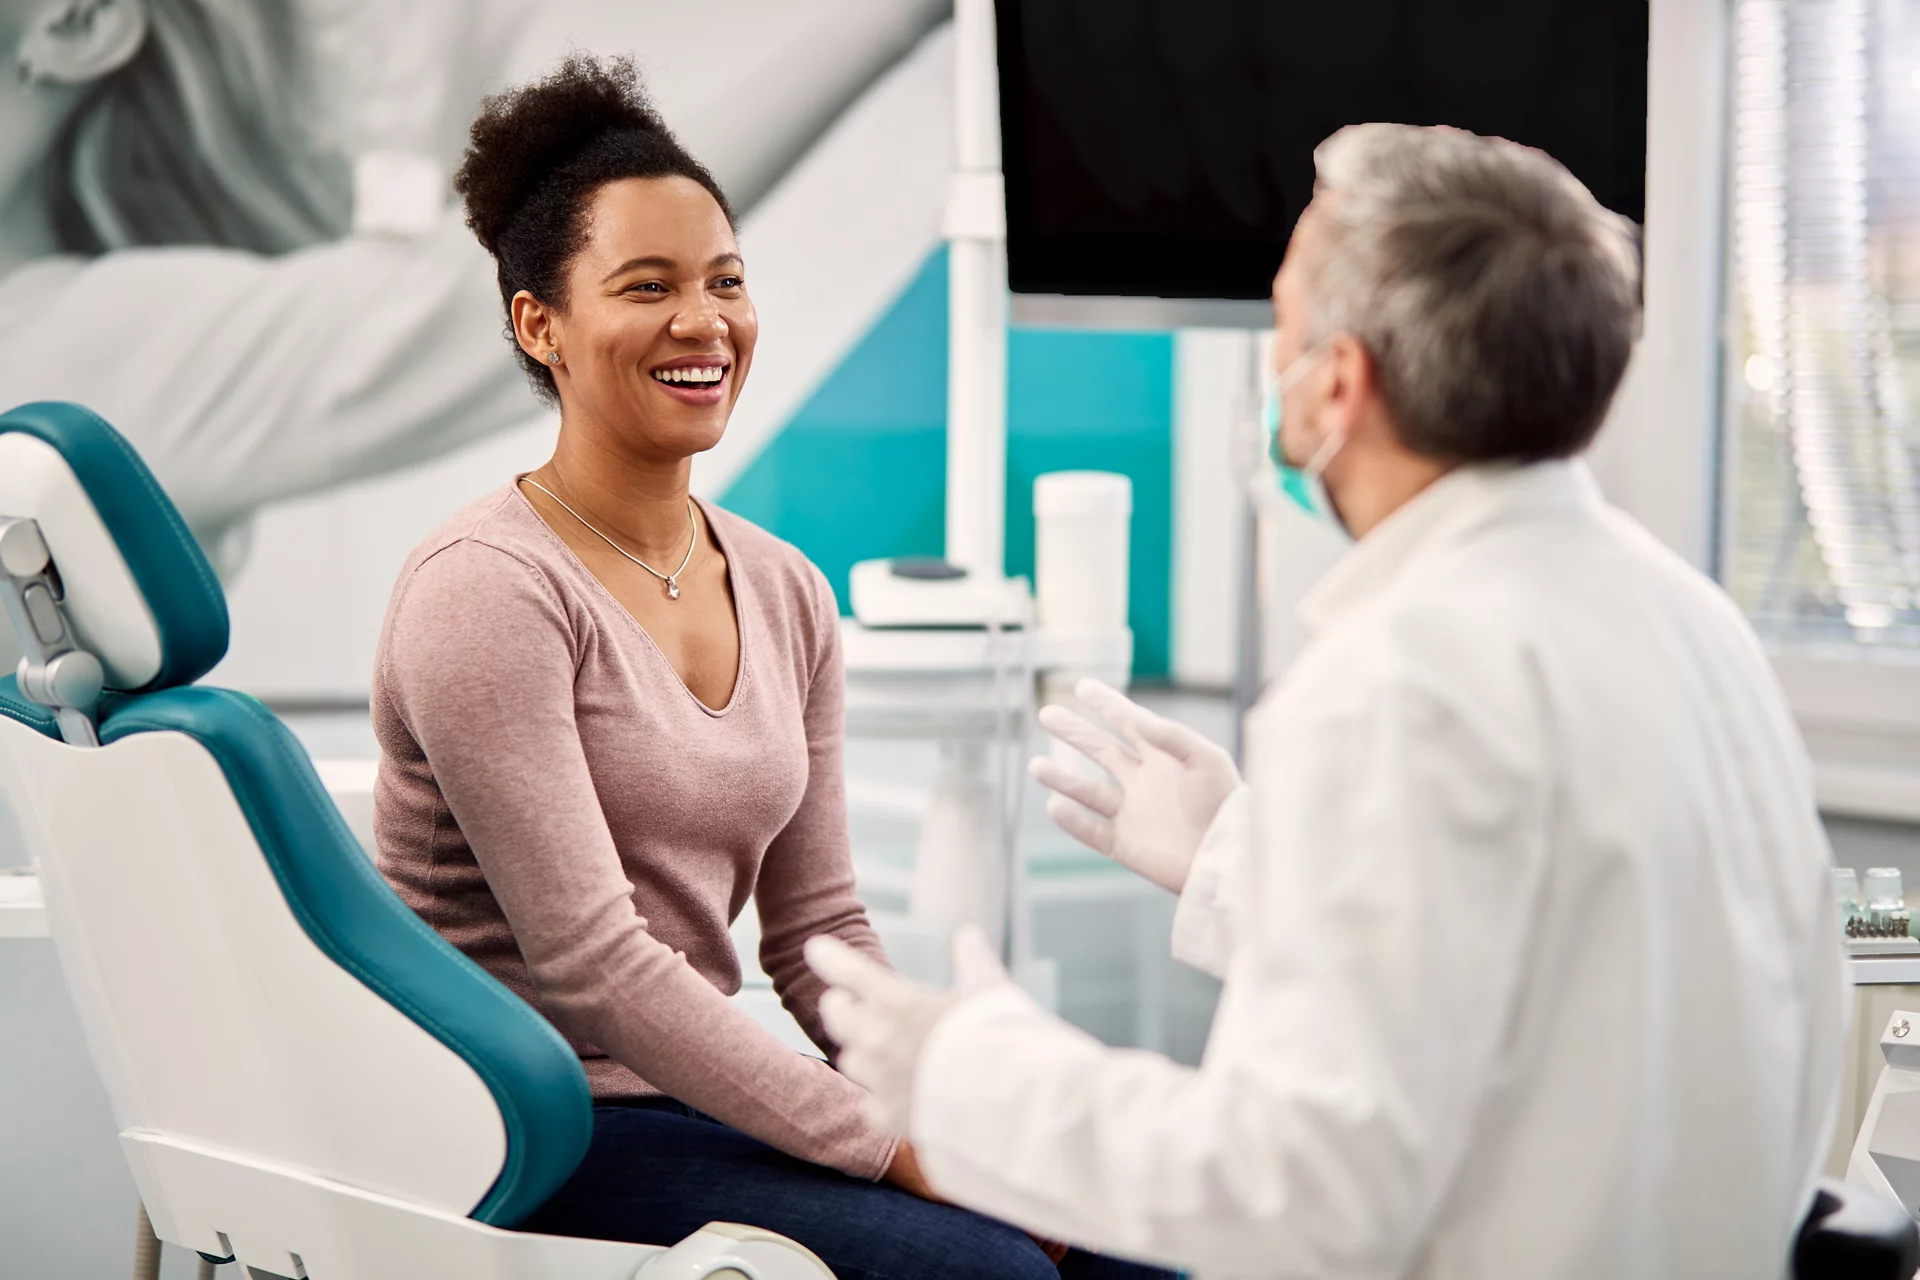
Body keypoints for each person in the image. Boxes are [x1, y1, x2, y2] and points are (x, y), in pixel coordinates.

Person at [808, 123, 1848, 1278]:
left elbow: (1294, 1186)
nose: (1274, 363)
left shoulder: (1397, 676)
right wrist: (1237, 855)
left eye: (1285, 322)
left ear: (1340, 383)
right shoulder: (1692, 621)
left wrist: (971, 1071)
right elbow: (1554, 981)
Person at [371, 53, 1174, 1280]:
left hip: (700, 1100)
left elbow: (819, 929)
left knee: (1141, 1244)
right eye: (648, 286)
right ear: (543, 323)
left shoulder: (787, 585)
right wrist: (894, 1143)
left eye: (727, 282)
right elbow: (597, 966)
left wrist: (944, 1097)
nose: (705, 322)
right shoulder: (486, 589)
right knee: (991, 1272)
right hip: (525, 1128)